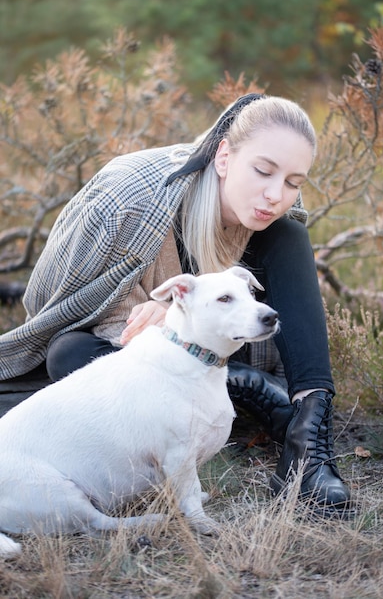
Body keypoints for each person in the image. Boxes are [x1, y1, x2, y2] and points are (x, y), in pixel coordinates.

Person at [0, 93, 352, 517]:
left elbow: (256, 307)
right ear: (224, 157)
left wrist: (175, 316)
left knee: (290, 235)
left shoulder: (274, 209)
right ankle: (249, 389)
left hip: (212, 343)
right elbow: (53, 304)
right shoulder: (127, 203)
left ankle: (309, 442)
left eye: (295, 181)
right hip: (135, 361)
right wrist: (159, 320)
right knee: (69, 353)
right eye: (262, 170)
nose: (277, 194)